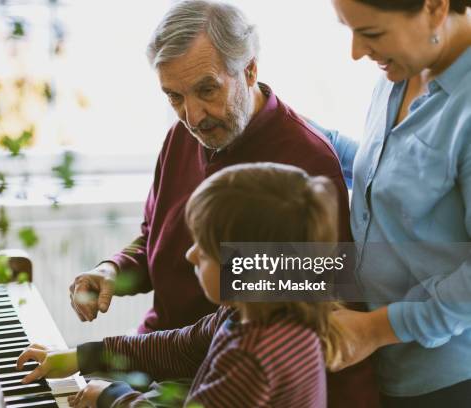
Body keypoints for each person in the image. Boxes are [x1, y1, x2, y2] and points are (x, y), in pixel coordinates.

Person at [68, 1, 379, 406]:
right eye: (174, 97)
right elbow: (155, 238)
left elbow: (323, 312)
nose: (192, 116)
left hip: (222, 383)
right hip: (157, 358)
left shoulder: (306, 163)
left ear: (249, 70)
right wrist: (111, 269)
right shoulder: (182, 136)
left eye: (206, 90)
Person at [19, 163, 349, 408]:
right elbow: (178, 347)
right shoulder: (244, 315)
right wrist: (82, 356)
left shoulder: (254, 356)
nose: (190, 255)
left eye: (203, 250)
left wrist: (110, 397)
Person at [307, 0, 471, 406]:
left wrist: (375, 329)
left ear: (434, 7)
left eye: (372, 33)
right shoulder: (401, 70)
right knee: (232, 271)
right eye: (348, 29)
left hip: (445, 382)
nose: (356, 52)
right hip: (379, 359)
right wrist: (283, 121)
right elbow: (386, 172)